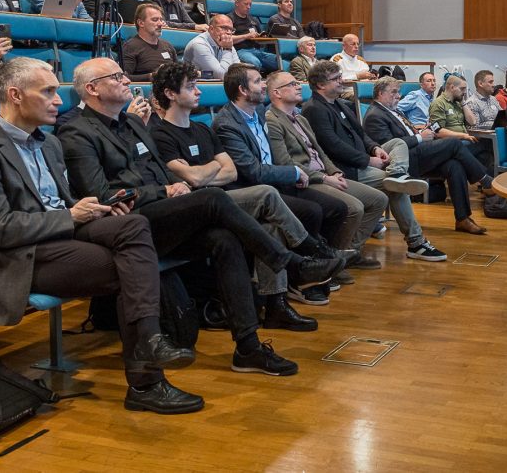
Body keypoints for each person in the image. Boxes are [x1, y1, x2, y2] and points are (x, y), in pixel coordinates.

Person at [58, 57, 345, 377]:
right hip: (127, 225)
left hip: (157, 214)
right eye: (116, 77)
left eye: (125, 75)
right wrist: (164, 191)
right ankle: (293, 262)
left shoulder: (133, 123)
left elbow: (156, 173)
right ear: (92, 89)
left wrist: (170, 187)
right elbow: (103, 195)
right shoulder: (76, 132)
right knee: (212, 198)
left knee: (224, 239)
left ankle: (248, 347)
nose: (127, 81)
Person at [0, 57, 202, 415]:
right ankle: (147, 379)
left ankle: (149, 343)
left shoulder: (48, 144)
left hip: (61, 238)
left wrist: (93, 207)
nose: (59, 100)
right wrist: (70, 215)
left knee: (133, 225)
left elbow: (61, 202)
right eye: (49, 91)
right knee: (129, 267)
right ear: (15, 95)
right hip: (18, 256)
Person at [149, 61, 322, 329]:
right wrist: (210, 169)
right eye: (191, 87)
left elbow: (229, 172)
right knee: (265, 193)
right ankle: (309, 252)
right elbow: (194, 179)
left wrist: (202, 172)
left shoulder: (202, 129)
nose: (199, 92)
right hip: (194, 207)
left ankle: (276, 305)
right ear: (171, 94)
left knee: (270, 226)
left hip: (221, 197)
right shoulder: (159, 134)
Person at [212, 63, 355, 299]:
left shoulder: (257, 114)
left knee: (334, 207)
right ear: (243, 90)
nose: (264, 86)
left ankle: (318, 266)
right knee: (311, 211)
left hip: (276, 181)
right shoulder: (227, 123)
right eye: (258, 81)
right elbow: (254, 172)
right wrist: (293, 173)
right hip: (254, 189)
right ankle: (311, 265)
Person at [303, 60, 442, 261]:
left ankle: (397, 173)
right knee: (396, 188)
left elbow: (361, 134)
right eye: (335, 79)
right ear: (320, 85)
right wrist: (367, 160)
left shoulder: (340, 102)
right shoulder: (314, 108)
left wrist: (374, 148)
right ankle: (416, 242)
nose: (341, 81)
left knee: (397, 144)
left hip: (362, 157)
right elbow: (332, 146)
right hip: (346, 167)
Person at [266, 71, 387, 269]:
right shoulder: (272, 120)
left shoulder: (300, 118)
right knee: (354, 207)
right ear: (277, 93)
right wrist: (324, 178)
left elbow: (320, 152)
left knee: (378, 199)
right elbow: (285, 162)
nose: (298, 86)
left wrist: (334, 171)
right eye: (292, 84)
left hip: (325, 174)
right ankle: (333, 262)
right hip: (307, 180)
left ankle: (349, 253)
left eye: (297, 83)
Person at [366, 77, 495, 238]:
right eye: (394, 92)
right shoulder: (374, 115)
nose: (398, 96)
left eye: (398, 92)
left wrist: (419, 131)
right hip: (402, 163)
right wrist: (420, 137)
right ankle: (485, 181)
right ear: (380, 93)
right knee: (454, 144)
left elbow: (405, 133)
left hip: (417, 153)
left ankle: (462, 218)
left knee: (455, 166)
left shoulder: (393, 110)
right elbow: (389, 147)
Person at [122, 3, 178, 81]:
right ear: (141, 23)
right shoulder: (130, 47)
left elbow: (178, 73)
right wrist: (152, 76)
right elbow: (124, 78)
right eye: (155, 20)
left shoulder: (168, 46)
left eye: (161, 20)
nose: (160, 24)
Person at [183, 14, 239, 79]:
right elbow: (222, 75)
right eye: (224, 28)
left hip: (213, 81)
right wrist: (227, 49)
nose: (229, 33)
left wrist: (208, 74)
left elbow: (238, 71)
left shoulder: (226, 43)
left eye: (231, 29)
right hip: (194, 85)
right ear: (211, 29)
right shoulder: (198, 44)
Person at [428, 75, 479, 143]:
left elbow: (473, 122)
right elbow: (438, 131)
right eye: (462, 89)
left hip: (463, 140)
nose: (464, 92)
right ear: (452, 87)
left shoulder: (458, 103)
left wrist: (463, 102)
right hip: (449, 143)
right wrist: (463, 135)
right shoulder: (438, 103)